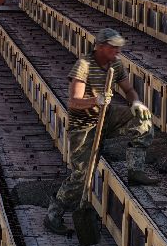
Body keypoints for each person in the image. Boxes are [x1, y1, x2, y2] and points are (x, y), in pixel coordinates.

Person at [45, 28, 155, 232]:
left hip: (107, 116)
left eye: (118, 48)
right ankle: (54, 213)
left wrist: (136, 103)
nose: (117, 52)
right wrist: (96, 100)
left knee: (142, 122)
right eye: (113, 48)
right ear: (101, 47)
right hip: (84, 125)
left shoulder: (116, 64)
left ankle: (135, 170)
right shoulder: (83, 66)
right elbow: (73, 102)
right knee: (82, 175)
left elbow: (128, 89)